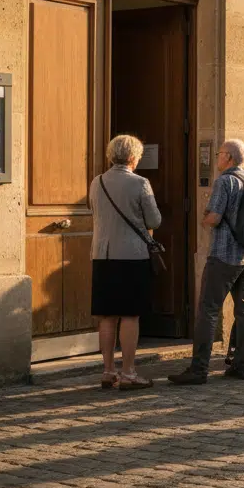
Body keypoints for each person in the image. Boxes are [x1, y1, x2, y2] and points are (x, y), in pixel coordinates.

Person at [169, 139, 244, 385]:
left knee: (208, 310)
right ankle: (242, 365)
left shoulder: (225, 181)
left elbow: (215, 217)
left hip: (224, 254)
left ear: (228, 158)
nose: (217, 158)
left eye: (220, 153)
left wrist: (204, 219)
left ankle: (198, 369)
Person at [89, 134, 163, 390]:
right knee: (130, 315)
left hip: (102, 255)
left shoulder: (96, 182)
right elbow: (154, 221)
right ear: (133, 157)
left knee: (107, 316)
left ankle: (108, 370)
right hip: (131, 255)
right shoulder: (140, 183)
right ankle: (129, 372)